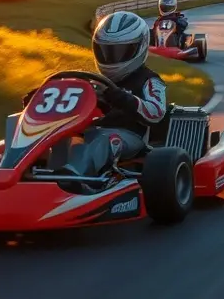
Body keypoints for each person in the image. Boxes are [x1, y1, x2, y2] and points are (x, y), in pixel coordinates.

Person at [24, 11, 167, 180]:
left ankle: (73, 178)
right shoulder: (95, 82)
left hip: (130, 136)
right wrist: (40, 97)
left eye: (119, 51)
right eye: (106, 51)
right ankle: (34, 173)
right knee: (60, 136)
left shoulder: (149, 80)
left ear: (139, 47)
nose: (111, 58)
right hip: (91, 131)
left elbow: (156, 113)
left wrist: (119, 97)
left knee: (103, 140)